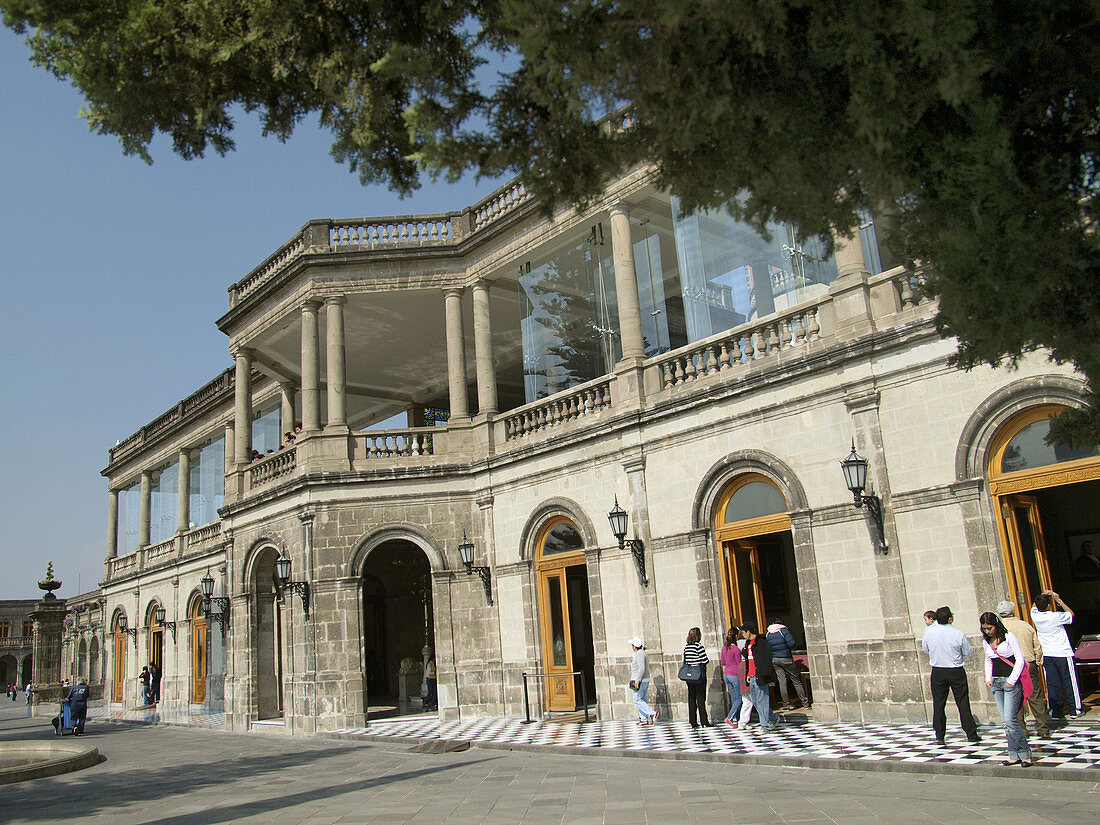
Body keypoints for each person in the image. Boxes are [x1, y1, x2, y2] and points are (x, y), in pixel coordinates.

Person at [920, 605, 981, 745]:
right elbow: (967, 652)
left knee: (939, 703)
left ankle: (940, 735)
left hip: (938, 670)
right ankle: (971, 733)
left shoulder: (930, 632)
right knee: (963, 702)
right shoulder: (957, 633)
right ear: (950, 619)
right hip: (955, 669)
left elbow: (926, 649)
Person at [980, 612, 1032, 766]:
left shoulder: (1009, 637)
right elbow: (988, 660)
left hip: (1010, 682)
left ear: (996, 625)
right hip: (996, 682)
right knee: (1006, 721)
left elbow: (1019, 659)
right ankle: (1013, 753)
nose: (988, 631)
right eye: (985, 629)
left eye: (990, 628)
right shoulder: (986, 641)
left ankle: (1025, 753)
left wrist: (1011, 680)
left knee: (1011, 720)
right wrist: (988, 678)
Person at [996, 600, 1050, 738]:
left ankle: (1021, 729)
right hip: (1028, 662)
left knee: (1014, 698)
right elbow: (1037, 646)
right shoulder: (1025, 625)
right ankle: (1043, 728)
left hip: (1011, 666)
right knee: (1035, 696)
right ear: (1013, 612)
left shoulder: (1000, 629)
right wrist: (1038, 662)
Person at [1031, 590, 1084, 719]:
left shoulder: (1036, 616)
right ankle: (1074, 709)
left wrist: (1042, 594)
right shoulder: (1055, 616)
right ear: (1049, 605)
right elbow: (1071, 615)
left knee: (1052, 682)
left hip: (1048, 654)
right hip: (1063, 652)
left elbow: (1033, 607)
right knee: (1069, 681)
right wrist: (1057, 599)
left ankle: (1056, 710)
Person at [739, 622, 779, 733]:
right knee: (756, 701)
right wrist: (748, 674)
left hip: (760, 676)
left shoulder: (761, 642)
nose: (742, 635)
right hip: (751, 676)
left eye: (743, 632)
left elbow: (766, 659)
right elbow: (748, 660)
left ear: (748, 631)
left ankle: (765, 726)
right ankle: (773, 718)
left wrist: (764, 675)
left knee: (762, 701)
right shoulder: (748, 644)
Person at [766, 618, 810, 711]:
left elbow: (768, 646)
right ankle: (805, 702)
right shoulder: (783, 630)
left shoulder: (769, 632)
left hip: (775, 659)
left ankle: (786, 704)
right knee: (796, 680)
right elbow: (792, 643)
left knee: (782, 682)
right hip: (786, 658)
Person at [682, 627, 711, 728]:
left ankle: (693, 720)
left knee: (691, 697)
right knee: (700, 697)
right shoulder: (698, 646)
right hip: (698, 674)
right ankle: (704, 720)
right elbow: (704, 660)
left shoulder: (687, 647)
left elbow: (685, 660)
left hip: (689, 675)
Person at [629, 637, 657, 725]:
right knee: (642, 699)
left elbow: (641, 668)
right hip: (644, 680)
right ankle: (644, 719)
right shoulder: (642, 653)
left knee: (637, 699)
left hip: (641, 680)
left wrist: (637, 680)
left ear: (634, 646)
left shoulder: (640, 654)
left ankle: (652, 713)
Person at [719, 627, 744, 728]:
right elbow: (739, 664)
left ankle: (738, 720)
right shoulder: (736, 649)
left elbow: (723, 662)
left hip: (726, 674)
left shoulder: (724, 647)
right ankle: (729, 717)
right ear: (736, 636)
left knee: (734, 698)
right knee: (739, 699)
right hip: (734, 674)